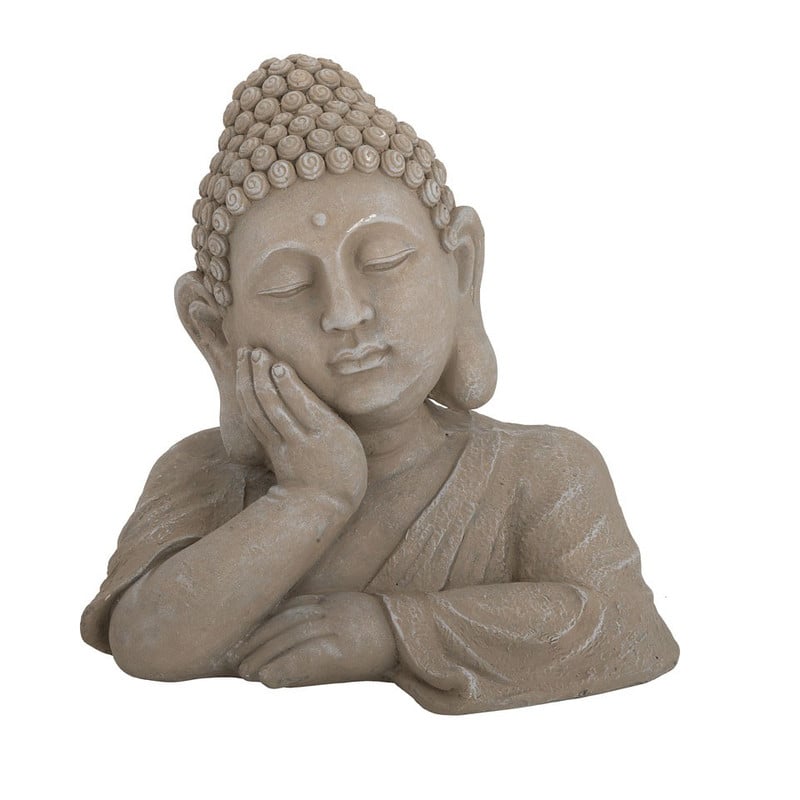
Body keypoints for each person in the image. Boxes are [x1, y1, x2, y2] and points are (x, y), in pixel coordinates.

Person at [81, 55, 678, 714]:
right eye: (289, 286)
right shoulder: (203, 477)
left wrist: (393, 630)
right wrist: (310, 497)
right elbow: (145, 640)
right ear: (216, 331)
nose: (345, 313)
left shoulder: (542, 471)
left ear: (461, 268)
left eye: (385, 261)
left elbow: (622, 627)